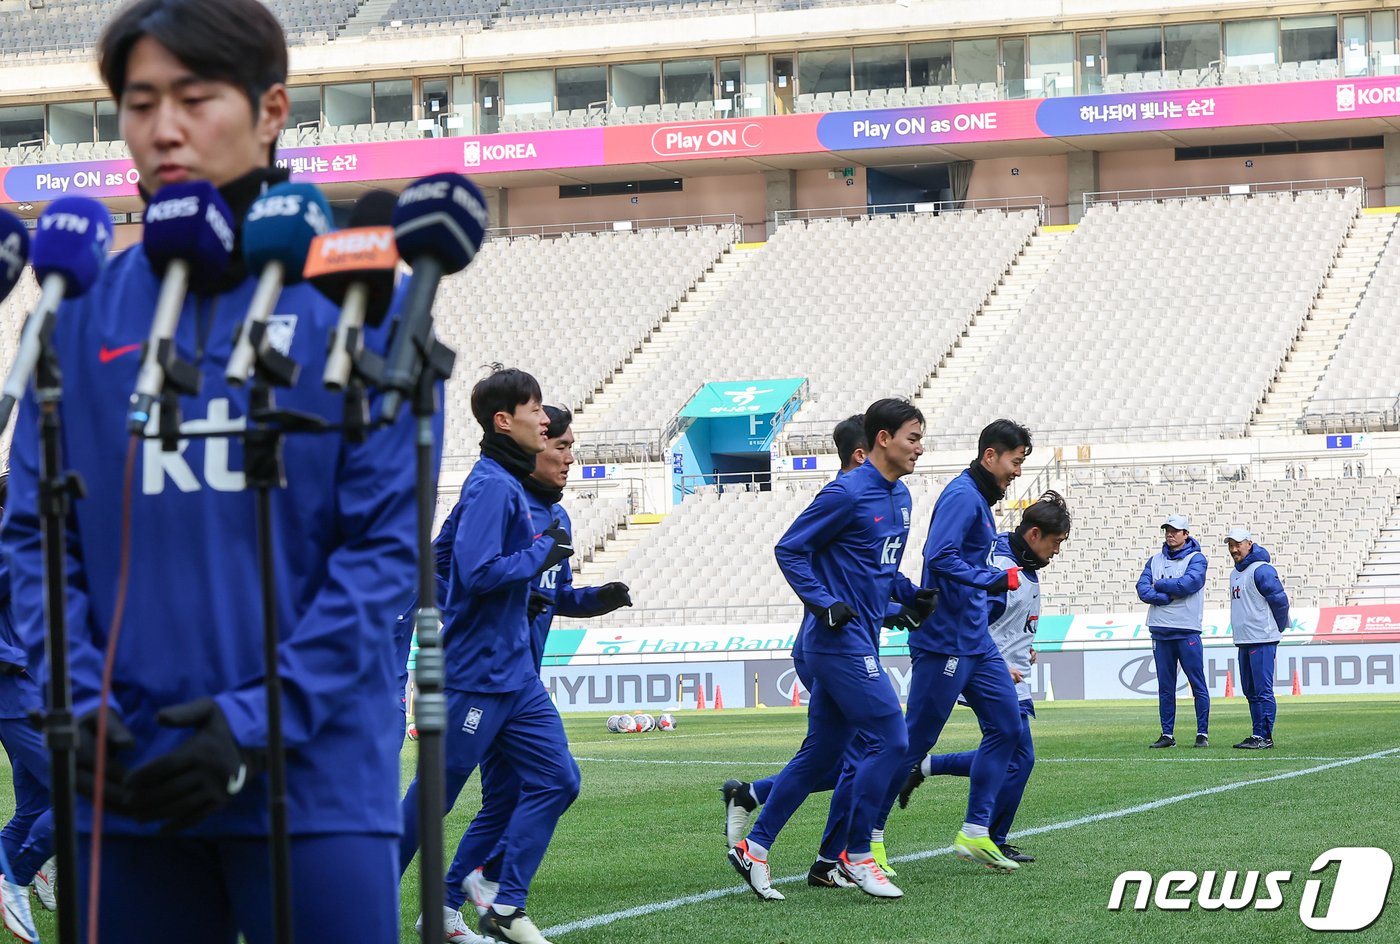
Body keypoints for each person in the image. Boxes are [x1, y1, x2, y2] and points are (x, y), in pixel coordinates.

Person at [0, 0, 421, 939]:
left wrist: (254, 721)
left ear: (271, 110)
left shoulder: (358, 302)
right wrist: (79, 703)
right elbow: (35, 537)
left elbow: (383, 549)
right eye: (140, 102)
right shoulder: (73, 312)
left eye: (194, 99)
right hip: (123, 782)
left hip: (314, 786)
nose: (164, 128)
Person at [398, 369, 580, 944]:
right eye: (535, 411)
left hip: (516, 674)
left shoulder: (510, 484)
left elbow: (454, 565)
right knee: (432, 799)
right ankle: (362, 904)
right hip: (476, 674)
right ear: (504, 421)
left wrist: (545, 589)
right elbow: (475, 573)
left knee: (558, 779)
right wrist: (539, 555)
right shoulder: (493, 486)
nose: (545, 421)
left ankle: (499, 901)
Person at [728, 399, 929, 901]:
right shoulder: (845, 492)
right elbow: (789, 548)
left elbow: (878, 569)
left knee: (821, 756)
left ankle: (755, 846)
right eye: (913, 438)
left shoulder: (902, 497)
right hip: (837, 643)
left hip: (860, 639)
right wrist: (823, 603)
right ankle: (856, 855)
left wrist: (909, 598)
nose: (919, 448)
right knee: (893, 739)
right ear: (882, 439)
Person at [451, 406, 631, 931]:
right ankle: (482, 892)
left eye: (573, 447)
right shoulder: (500, 504)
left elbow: (556, 595)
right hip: (486, 680)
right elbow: (463, 575)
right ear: (533, 445)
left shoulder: (559, 518)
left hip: (522, 679)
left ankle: (465, 896)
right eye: (561, 446)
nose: (570, 458)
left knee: (512, 797)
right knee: (465, 797)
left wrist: (596, 600)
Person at [873, 419, 1031, 875]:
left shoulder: (978, 498)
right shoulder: (962, 495)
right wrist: (991, 578)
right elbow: (939, 556)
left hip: (975, 640)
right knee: (915, 741)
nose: (1018, 471)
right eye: (1015, 461)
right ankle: (868, 837)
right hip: (945, 641)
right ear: (990, 456)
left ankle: (975, 832)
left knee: (1008, 729)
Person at [897, 490, 1072, 865]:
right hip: (987, 668)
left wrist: (1023, 645)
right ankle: (985, 835)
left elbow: (1004, 619)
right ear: (1035, 534)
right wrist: (994, 661)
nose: (1057, 551)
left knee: (1012, 753)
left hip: (1004, 667)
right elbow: (974, 617)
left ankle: (927, 772)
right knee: (1017, 755)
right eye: (1056, 542)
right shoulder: (1001, 566)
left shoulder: (1019, 562)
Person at [0, 473, 56, 944]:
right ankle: (18, 876)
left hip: (42, 695)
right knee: (83, 791)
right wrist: (17, 660)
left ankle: (25, 872)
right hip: (18, 697)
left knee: (36, 806)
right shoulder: (7, 549)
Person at [1136, 514, 1211, 749]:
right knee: (1165, 687)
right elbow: (1142, 589)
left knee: (1197, 684)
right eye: (1167, 530)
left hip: (1187, 629)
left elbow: (1188, 584)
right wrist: (1166, 596)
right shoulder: (1154, 560)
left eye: (1175, 530)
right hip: (1160, 630)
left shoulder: (1197, 558)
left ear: (1186, 534)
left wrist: (1159, 585)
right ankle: (1167, 734)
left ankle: (1202, 733)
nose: (1170, 534)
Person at [1225, 527, 1289, 750]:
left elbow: (1280, 601)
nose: (1234, 549)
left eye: (1238, 544)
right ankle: (1257, 733)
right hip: (1244, 639)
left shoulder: (1262, 570)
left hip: (1261, 638)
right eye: (1230, 545)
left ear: (1249, 544)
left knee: (1262, 690)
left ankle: (1265, 737)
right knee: (1250, 691)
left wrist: (1275, 628)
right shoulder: (1235, 573)